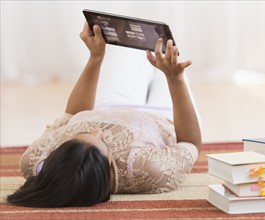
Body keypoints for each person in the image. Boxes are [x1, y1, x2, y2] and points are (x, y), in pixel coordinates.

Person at [7, 22, 201, 207]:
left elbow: (72, 114)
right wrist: (175, 79)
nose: (97, 130)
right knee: (171, 61)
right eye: (103, 141)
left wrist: (95, 57)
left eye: (79, 134)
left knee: (133, 48)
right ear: (109, 164)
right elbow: (190, 144)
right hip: (164, 118)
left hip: (107, 106)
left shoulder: (35, 160)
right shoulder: (149, 170)